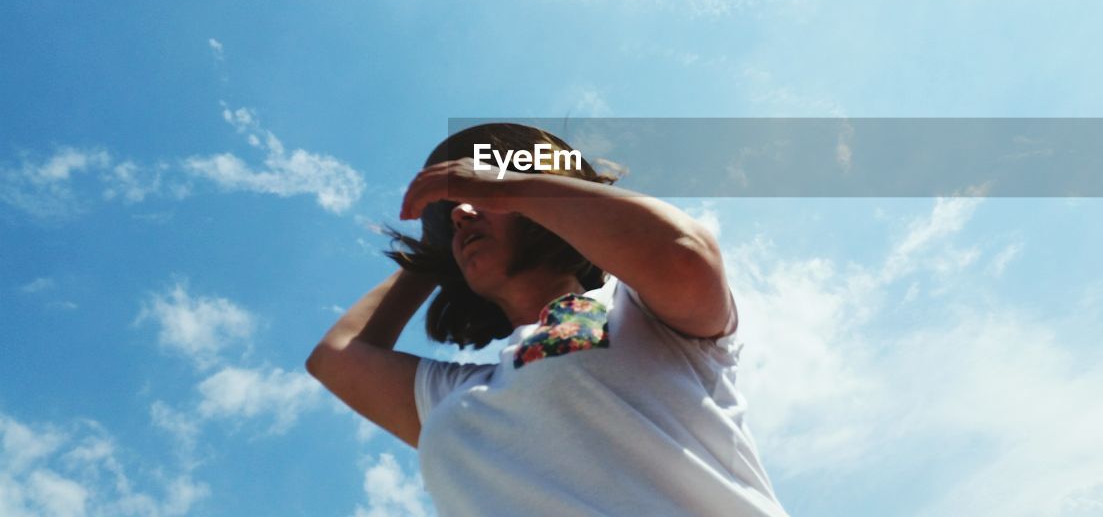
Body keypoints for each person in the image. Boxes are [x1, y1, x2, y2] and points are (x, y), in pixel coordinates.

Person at [306, 123, 788, 516]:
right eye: (454, 215)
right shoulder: (454, 398)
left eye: (486, 195)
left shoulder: (631, 307)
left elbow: (685, 255)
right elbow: (336, 358)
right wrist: (434, 249)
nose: (464, 213)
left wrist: (508, 185)